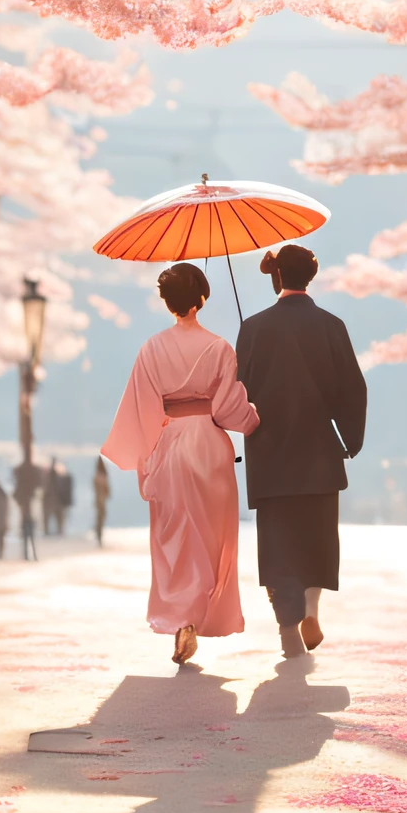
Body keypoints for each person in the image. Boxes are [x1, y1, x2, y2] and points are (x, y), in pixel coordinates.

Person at [102, 262, 260, 664]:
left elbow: (142, 410)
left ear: (167, 301)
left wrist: (147, 458)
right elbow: (227, 409)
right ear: (201, 298)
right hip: (209, 444)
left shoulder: (152, 348)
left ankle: (181, 618)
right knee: (211, 536)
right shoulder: (220, 348)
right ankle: (197, 613)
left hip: (171, 443)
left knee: (174, 536)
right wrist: (252, 414)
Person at [234, 243, 367, 659]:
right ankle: (311, 608)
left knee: (279, 543)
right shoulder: (331, 325)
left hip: (270, 452)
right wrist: (349, 439)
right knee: (317, 538)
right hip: (318, 452)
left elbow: (239, 391)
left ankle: (288, 629)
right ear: (311, 276)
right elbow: (352, 387)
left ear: (278, 276)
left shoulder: (253, 328)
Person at [92, 455, 111, 546]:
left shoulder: (96, 476)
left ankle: (98, 535)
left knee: (99, 519)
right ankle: (99, 535)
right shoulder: (103, 476)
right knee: (101, 519)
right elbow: (107, 490)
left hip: (97, 501)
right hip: (102, 501)